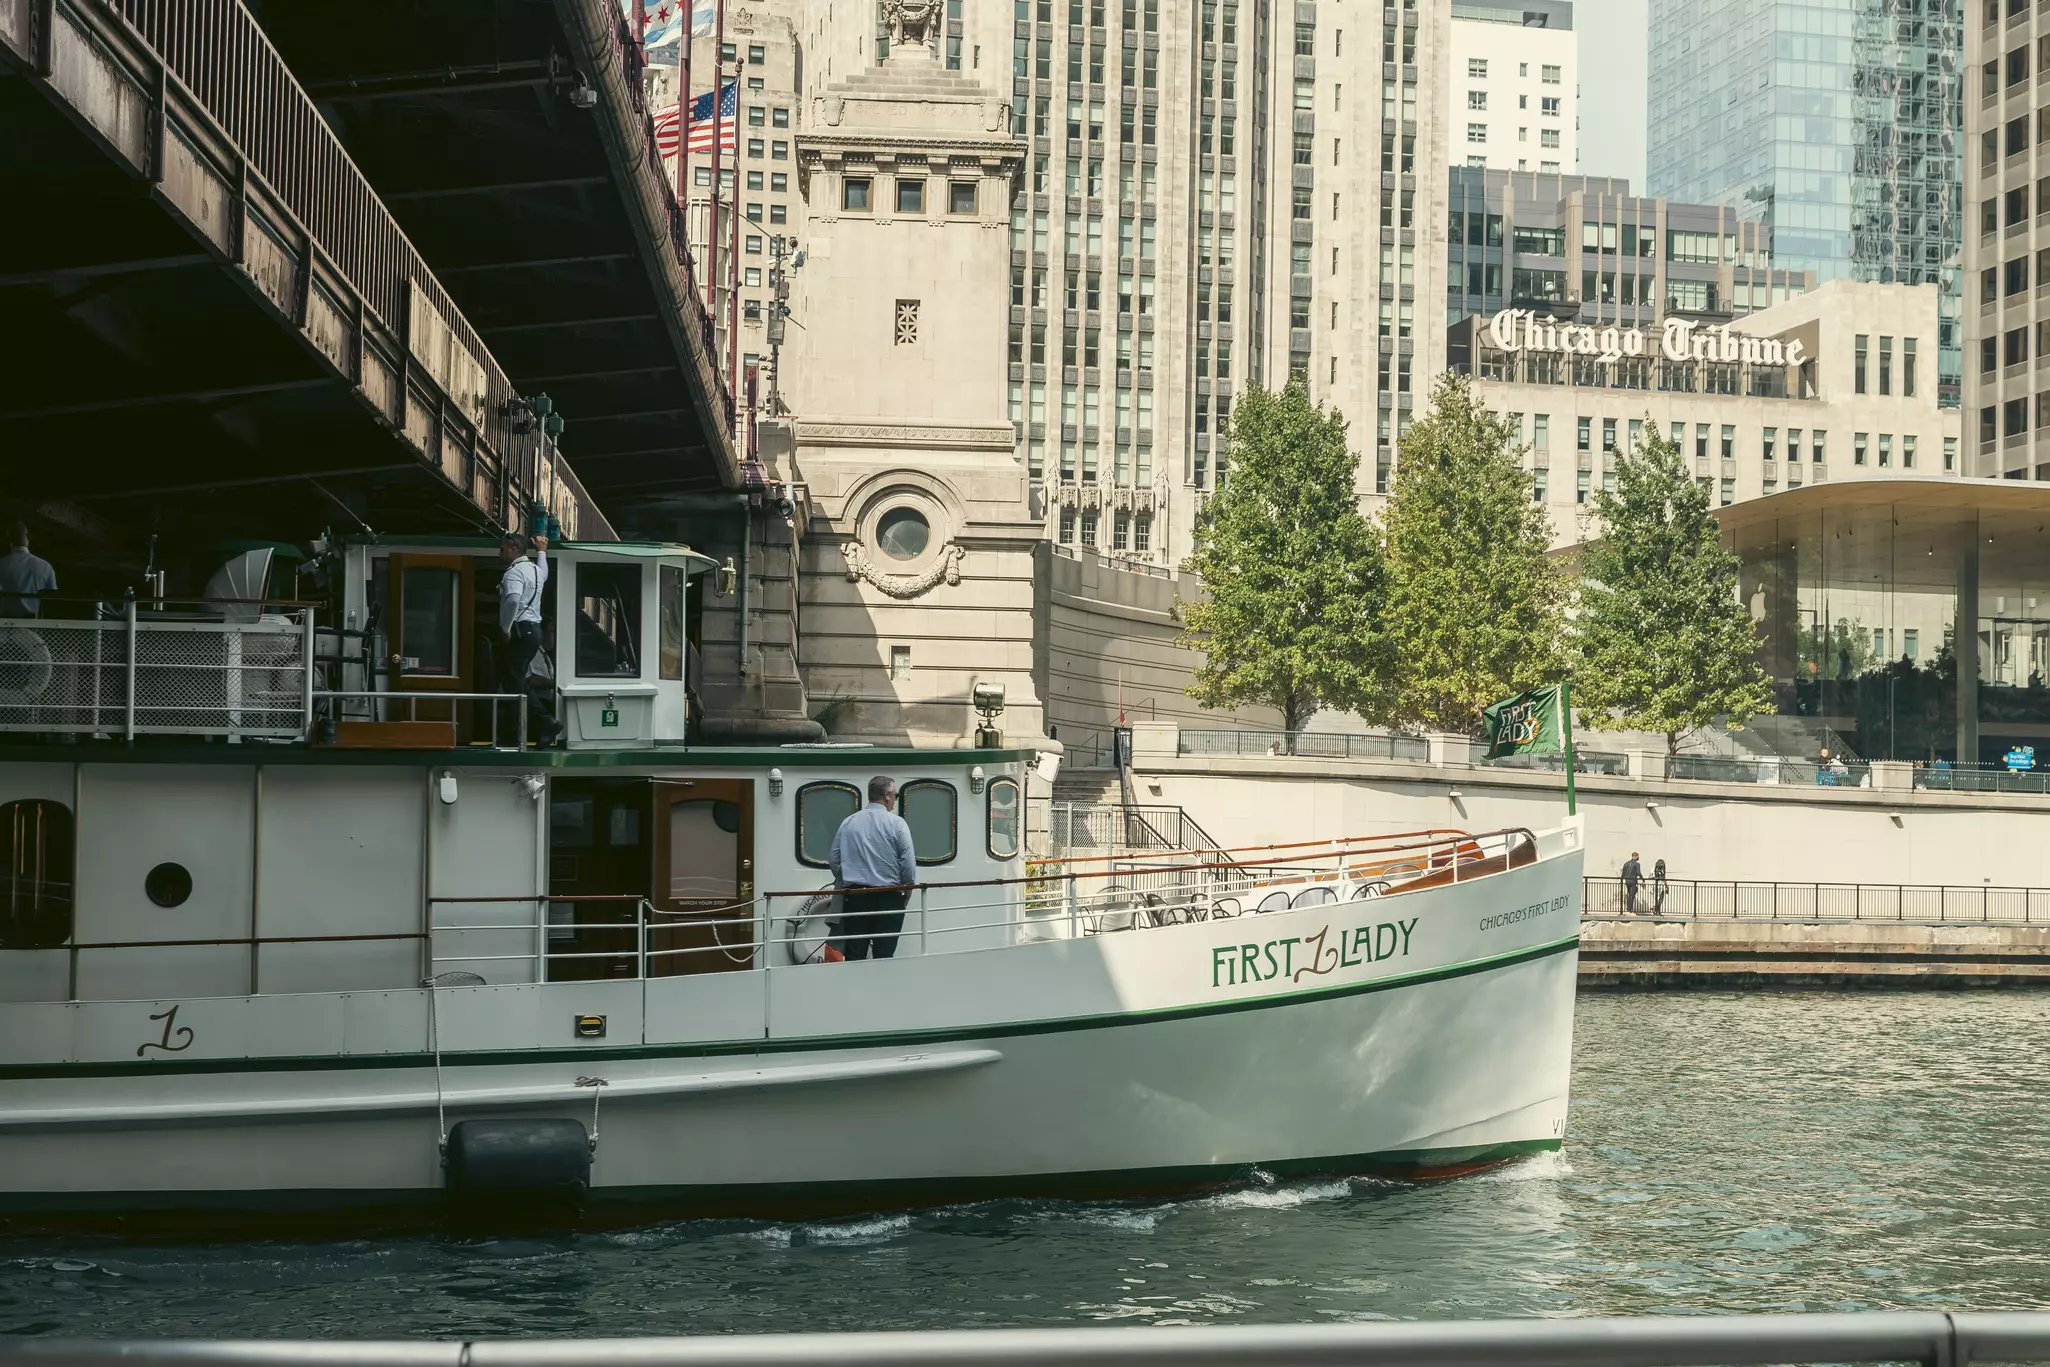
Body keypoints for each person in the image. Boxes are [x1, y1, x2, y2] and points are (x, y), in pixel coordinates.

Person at [828, 776, 919, 960]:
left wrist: (847, 880)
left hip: (855, 897)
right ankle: (881, 988)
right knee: (884, 954)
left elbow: (834, 859)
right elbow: (908, 864)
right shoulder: (897, 824)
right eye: (896, 795)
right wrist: (906, 890)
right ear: (887, 796)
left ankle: (854, 988)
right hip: (889, 896)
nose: (895, 799)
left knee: (855, 953)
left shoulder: (849, 822)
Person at [497, 533, 563, 747]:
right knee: (513, 679)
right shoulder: (535, 570)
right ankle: (522, 727)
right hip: (534, 631)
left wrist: (505, 629)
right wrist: (541, 552)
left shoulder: (514, 573)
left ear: (514, 548)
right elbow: (544, 573)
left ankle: (545, 721)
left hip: (521, 628)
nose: (501, 553)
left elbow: (513, 600)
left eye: (503, 548)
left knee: (514, 679)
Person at [0, 522, 58, 618]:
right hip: (34, 624)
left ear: (8, 540)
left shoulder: (1, 564)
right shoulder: (46, 566)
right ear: (29, 537)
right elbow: (52, 600)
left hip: (5, 625)